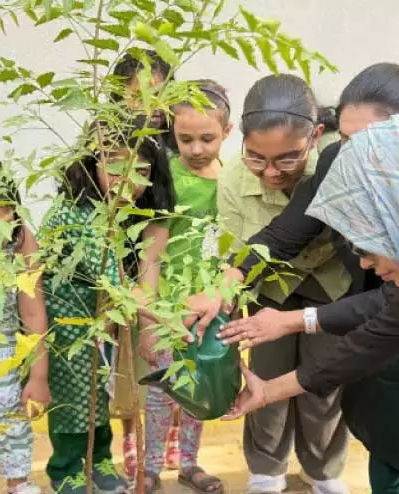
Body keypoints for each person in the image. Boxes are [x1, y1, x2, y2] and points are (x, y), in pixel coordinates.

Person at [189, 63, 399, 494]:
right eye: (343, 140)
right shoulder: (345, 170)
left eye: (364, 142)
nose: (351, 155)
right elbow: (289, 232)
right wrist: (225, 283)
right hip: (376, 327)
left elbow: (384, 323)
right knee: (387, 437)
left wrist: (295, 324)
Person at [211, 73, 352, 494]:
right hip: (266, 289)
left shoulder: (338, 162)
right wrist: (225, 308)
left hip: (332, 286)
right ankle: (266, 470)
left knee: (324, 384)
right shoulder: (233, 179)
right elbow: (233, 252)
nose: (270, 172)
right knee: (266, 379)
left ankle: (324, 470)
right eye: (257, 158)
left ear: (316, 137)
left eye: (287, 160)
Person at [38, 127, 175, 494]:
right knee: (72, 396)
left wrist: (145, 321)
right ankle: (66, 467)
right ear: (92, 162)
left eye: (142, 172)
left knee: (100, 393)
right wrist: (163, 320)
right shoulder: (74, 211)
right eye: (115, 167)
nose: (128, 180)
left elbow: (142, 273)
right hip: (66, 320)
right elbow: (114, 283)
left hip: (105, 318)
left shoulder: (130, 212)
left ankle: (99, 459)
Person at [136, 79, 233, 494]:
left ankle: (190, 464)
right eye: (185, 138)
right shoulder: (167, 177)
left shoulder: (233, 181)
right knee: (161, 390)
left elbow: (231, 248)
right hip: (169, 306)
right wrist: (148, 318)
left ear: (227, 133)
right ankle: (151, 465)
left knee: (199, 383)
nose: (196, 149)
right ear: (172, 133)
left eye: (207, 138)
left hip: (213, 304)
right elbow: (151, 254)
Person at [109, 49, 178, 478]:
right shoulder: (104, 141)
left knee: (155, 357)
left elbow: (159, 225)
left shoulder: (173, 146)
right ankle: (128, 436)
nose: (151, 108)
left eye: (161, 96)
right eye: (140, 96)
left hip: (159, 268)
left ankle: (164, 437)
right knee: (120, 366)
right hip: (111, 266)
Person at [0, 156, 51, 494]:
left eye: (0, 227)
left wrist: (38, 375)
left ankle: (19, 482)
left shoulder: (20, 242)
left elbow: (33, 313)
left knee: (10, 423)